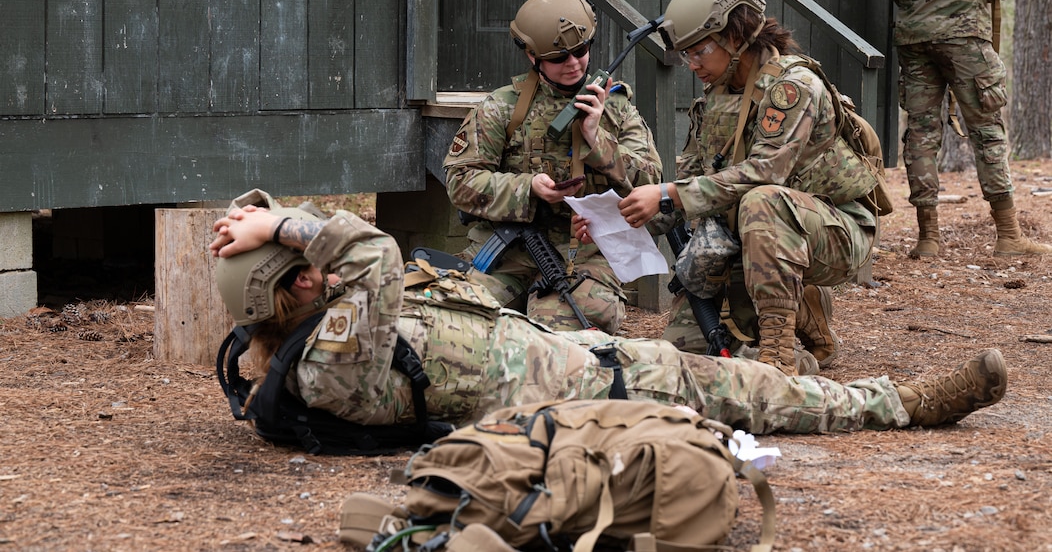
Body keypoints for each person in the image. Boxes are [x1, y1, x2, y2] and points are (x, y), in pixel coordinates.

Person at [209, 193, 1007, 437]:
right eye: (303, 262)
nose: (319, 262)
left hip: (577, 360)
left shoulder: (331, 327)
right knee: (762, 395)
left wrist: (275, 215)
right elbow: (374, 256)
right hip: (596, 400)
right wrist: (283, 230)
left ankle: (882, 396)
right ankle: (902, 404)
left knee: (736, 380)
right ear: (301, 287)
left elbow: (370, 270)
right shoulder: (328, 363)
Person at [578, 0, 879, 377]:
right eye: (686, 54)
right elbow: (684, 190)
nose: (691, 65)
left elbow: (764, 172)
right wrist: (613, 219)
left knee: (763, 200)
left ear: (735, 37)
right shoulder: (714, 99)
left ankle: (778, 355)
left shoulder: (793, 87)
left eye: (699, 51)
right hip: (746, 237)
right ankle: (801, 313)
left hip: (833, 231)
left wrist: (667, 193)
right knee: (683, 355)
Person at [442, 0, 662, 334]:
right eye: (559, 57)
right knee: (455, 320)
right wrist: (527, 188)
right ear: (532, 56)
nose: (574, 63)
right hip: (509, 248)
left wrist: (597, 139)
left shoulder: (616, 109)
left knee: (558, 330)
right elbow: (459, 181)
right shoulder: (503, 108)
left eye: (581, 51)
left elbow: (651, 181)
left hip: (586, 251)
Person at [888, 0, 1051, 258]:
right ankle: (1009, 236)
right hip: (964, 36)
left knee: (921, 134)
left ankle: (928, 239)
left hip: (912, 36)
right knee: (987, 128)